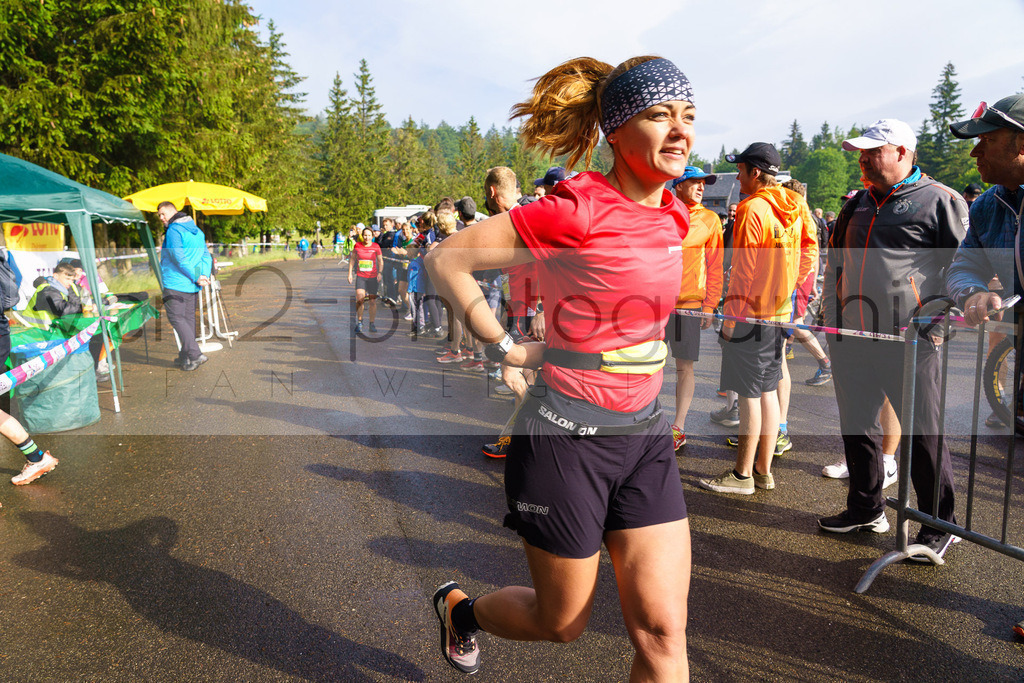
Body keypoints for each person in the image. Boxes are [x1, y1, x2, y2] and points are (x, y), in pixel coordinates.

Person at [425, 55, 694, 679]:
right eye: (659, 115)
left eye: (688, 115)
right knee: (561, 623)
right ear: (615, 132)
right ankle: (461, 612)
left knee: (662, 632)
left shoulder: (673, 213)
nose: (679, 130)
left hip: (646, 435)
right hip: (567, 436)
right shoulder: (575, 210)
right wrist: (506, 349)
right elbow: (445, 262)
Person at [819, 119, 966, 560]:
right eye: (860, 151)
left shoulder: (941, 201)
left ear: (902, 152)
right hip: (853, 334)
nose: (862, 158)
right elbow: (836, 264)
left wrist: (939, 327)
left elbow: (963, 272)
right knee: (857, 427)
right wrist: (832, 317)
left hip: (912, 339)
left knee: (924, 435)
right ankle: (865, 509)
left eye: (873, 151)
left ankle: (940, 524)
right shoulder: (857, 203)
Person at [699, 142, 816, 495]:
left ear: (755, 172)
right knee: (766, 390)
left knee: (750, 394)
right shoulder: (796, 204)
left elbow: (744, 270)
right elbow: (810, 251)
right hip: (779, 312)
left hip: (751, 315)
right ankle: (762, 471)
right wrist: (791, 290)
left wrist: (732, 317)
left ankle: (742, 475)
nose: (736, 176)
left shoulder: (754, 209)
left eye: (740, 170)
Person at [667, 166, 724, 451]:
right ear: (678, 184)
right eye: (695, 182)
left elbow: (715, 265)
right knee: (645, 364)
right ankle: (643, 420)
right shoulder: (660, 211)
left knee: (684, 367)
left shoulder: (710, 219)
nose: (702, 187)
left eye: (704, 183)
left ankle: (679, 426)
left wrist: (711, 304)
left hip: (689, 304)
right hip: (654, 303)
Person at [157, 202, 213, 371]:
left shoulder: (174, 230)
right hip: (191, 284)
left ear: (172, 212)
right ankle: (185, 356)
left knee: (176, 318)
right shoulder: (197, 231)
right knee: (187, 320)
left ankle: (196, 355)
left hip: (175, 282)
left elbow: (178, 257)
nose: (161, 218)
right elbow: (205, 255)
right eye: (159, 215)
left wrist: (198, 276)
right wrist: (201, 275)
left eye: (162, 214)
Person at [348, 226, 383, 334]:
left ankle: (372, 323)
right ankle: (360, 322)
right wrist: (349, 273)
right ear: (362, 236)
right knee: (360, 299)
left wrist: (380, 273)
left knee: (372, 302)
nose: (367, 237)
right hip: (361, 276)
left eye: (369, 235)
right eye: (365, 235)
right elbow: (352, 259)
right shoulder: (357, 245)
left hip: (372, 277)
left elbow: (380, 261)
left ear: (372, 236)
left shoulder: (376, 246)